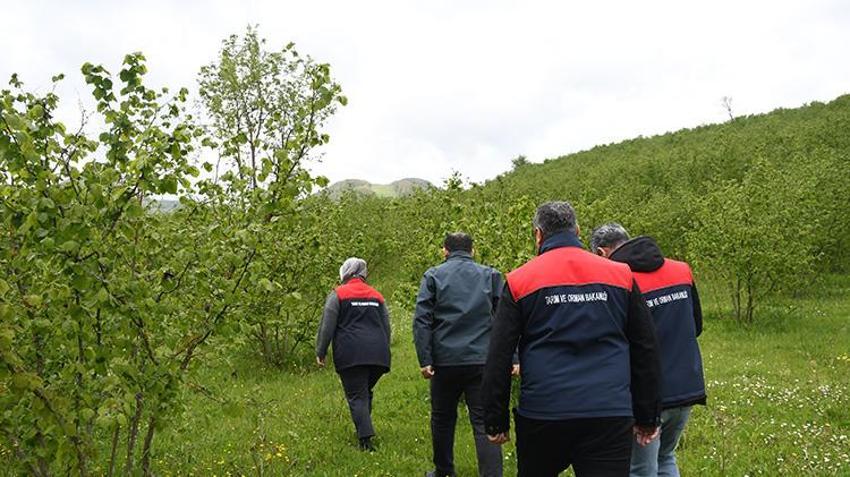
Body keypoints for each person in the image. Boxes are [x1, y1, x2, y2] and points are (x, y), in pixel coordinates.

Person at [482, 201, 662, 477]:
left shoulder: (520, 280)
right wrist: (648, 415)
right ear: (577, 230)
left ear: (538, 235)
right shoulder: (621, 275)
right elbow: (645, 347)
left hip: (544, 412)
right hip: (608, 411)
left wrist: (495, 418)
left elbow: (499, 354)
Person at [590, 223, 706, 477]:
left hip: (646, 395)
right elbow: (696, 326)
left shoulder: (619, 281)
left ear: (601, 253)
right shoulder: (682, 270)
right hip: (687, 385)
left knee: (639, 469)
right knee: (666, 458)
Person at [413, 232, 514, 477]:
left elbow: (422, 319)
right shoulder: (491, 275)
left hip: (445, 360)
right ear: (473, 250)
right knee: (483, 421)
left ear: (444, 251)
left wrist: (425, 359)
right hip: (482, 359)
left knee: (442, 418)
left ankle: (444, 471)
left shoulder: (433, 276)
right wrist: (513, 357)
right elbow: (505, 320)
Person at [316, 257, 391, 452]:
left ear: (345, 272)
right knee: (364, 392)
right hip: (379, 355)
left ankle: (366, 441)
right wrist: (385, 349)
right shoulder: (377, 296)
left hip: (351, 354)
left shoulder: (338, 294)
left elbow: (326, 327)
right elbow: (387, 327)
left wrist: (321, 351)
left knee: (357, 396)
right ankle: (363, 427)